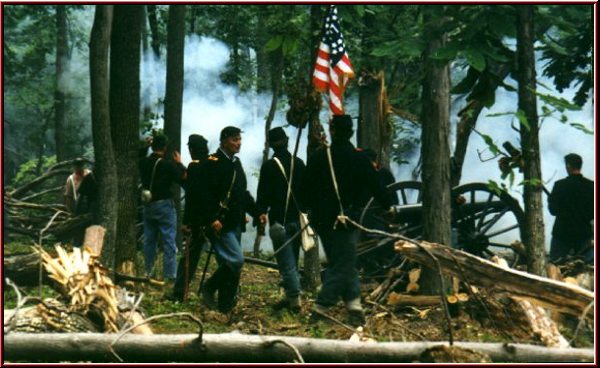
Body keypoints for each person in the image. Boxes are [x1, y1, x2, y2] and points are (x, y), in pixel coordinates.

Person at [300, 115, 394, 327]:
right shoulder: (360, 158)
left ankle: (354, 308)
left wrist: (311, 209)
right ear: (351, 132)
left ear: (332, 131)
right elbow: (377, 187)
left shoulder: (318, 157)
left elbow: (304, 191)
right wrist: (388, 207)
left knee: (343, 262)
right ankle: (320, 309)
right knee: (342, 265)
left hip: (322, 222)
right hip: (347, 220)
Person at [202, 126, 263, 314]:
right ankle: (209, 287)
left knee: (229, 267)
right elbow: (205, 194)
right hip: (220, 223)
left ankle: (225, 307)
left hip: (235, 221)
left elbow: (242, 193)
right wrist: (212, 218)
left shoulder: (236, 163)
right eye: (235, 139)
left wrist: (257, 212)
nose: (239, 143)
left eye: (239, 139)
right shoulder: (212, 161)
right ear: (224, 140)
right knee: (236, 260)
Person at [256, 127, 306, 313]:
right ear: (286, 142)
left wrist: (260, 214)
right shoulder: (299, 163)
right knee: (292, 260)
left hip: (279, 222)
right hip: (298, 221)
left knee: (287, 265)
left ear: (270, 145)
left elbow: (263, 197)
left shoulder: (269, 166)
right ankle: (289, 297)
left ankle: (294, 301)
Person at [167, 134, 211, 302]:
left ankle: (179, 293)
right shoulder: (211, 164)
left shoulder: (195, 167)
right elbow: (191, 183)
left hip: (199, 220)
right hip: (216, 219)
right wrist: (179, 165)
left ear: (192, 149)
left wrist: (186, 223)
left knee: (189, 257)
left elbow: (192, 194)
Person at [139, 134, 186, 281]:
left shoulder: (143, 162)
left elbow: (138, 156)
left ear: (152, 146)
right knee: (169, 241)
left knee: (149, 240)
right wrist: (179, 163)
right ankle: (169, 275)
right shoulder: (167, 165)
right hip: (164, 205)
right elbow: (182, 178)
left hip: (148, 205)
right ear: (165, 148)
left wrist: (145, 146)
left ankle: (148, 272)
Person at [548, 153, 594, 264]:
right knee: (589, 267)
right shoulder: (591, 186)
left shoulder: (559, 185)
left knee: (555, 264)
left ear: (568, 166)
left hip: (562, 233)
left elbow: (553, 211)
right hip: (583, 233)